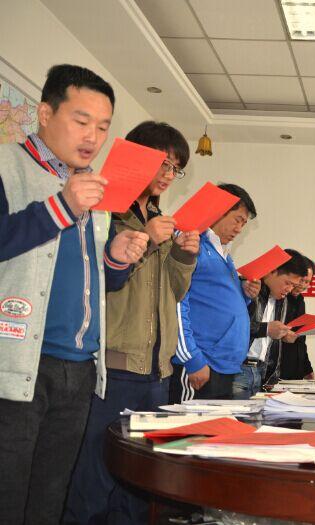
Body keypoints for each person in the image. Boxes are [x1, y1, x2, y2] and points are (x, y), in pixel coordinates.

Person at [0, 64, 148, 523]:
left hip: (80, 368)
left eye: (103, 127)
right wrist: (61, 206)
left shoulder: (91, 186)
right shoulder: (6, 166)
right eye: (81, 121)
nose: (93, 137)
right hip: (17, 364)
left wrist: (115, 260)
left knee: (50, 500)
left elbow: (91, 280)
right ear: (45, 113)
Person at [63, 121, 199, 524]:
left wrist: (184, 256)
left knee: (139, 483)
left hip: (156, 371)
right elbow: (98, 280)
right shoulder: (102, 212)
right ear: (136, 157)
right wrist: (147, 239)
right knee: (94, 478)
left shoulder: (158, 218)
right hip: (113, 367)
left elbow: (174, 293)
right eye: (163, 163)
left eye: (176, 168)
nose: (168, 175)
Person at [170, 183, 261, 402]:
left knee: (217, 425)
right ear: (218, 211)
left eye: (244, 224)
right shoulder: (194, 245)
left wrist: (245, 295)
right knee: (191, 425)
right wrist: (192, 359)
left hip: (225, 366)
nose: (239, 229)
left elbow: (218, 302)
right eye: (237, 220)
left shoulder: (223, 254)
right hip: (201, 364)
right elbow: (176, 301)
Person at [233, 250, 307, 399]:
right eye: (287, 283)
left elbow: (269, 337)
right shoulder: (247, 287)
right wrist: (266, 329)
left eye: (293, 286)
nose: (289, 289)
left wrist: (283, 334)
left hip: (263, 373)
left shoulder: (281, 299)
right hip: (238, 369)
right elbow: (231, 326)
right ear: (272, 271)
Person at [279, 255, 315, 380]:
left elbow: (301, 339)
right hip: (277, 369)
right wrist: (282, 335)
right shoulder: (278, 298)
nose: (302, 285)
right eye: (301, 280)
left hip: (296, 371)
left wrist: (307, 369)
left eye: (307, 282)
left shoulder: (300, 300)